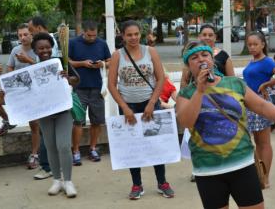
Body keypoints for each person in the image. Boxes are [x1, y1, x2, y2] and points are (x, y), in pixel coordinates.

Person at [176, 42, 275, 209]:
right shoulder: (186, 93)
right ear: (188, 66)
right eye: (194, 57)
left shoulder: (234, 84)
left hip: (242, 163)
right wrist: (199, 90)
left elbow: (262, 106)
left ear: (212, 60)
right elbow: (186, 122)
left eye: (205, 55)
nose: (200, 60)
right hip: (208, 169)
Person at [108, 20, 174, 200]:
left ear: (140, 34)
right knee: (133, 146)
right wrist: (124, 107)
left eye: (136, 34)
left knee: (156, 143)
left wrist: (152, 103)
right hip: (128, 107)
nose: (133, 38)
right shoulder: (117, 56)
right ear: (122, 36)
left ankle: (162, 182)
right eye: (129, 34)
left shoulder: (150, 51)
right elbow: (111, 85)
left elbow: (161, 79)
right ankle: (137, 184)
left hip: (150, 104)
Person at [28, 32, 77, 197]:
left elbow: (78, 80)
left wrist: (68, 77)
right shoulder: (32, 70)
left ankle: (68, 181)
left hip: (64, 111)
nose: (45, 50)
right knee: (50, 147)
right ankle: (57, 180)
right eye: (40, 48)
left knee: (63, 146)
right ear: (35, 51)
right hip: (45, 113)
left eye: (48, 47)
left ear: (52, 47)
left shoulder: (61, 62)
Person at [243, 31, 275, 188]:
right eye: (249, 45)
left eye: (255, 44)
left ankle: (266, 178)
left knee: (264, 143)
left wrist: (266, 85)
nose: (252, 47)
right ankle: (259, 174)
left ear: (263, 45)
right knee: (256, 143)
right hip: (250, 105)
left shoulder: (267, 62)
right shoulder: (253, 61)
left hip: (261, 105)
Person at [0, 23, 40, 169]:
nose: (23, 37)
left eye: (25, 34)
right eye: (20, 35)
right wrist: (4, 86)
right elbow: (10, 68)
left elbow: (41, 69)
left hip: (32, 92)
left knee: (34, 124)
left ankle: (34, 154)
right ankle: (8, 120)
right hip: (16, 90)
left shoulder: (38, 49)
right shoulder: (15, 50)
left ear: (31, 34)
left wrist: (28, 60)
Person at [68, 20, 111, 165]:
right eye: (89, 35)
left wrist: (102, 64)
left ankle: (93, 148)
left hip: (97, 88)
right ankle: (76, 151)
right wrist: (82, 63)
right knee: (78, 121)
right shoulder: (73, 43)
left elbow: (110, 61)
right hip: (79, 88)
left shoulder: (102, 43)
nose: (92, 38)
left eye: (94, 35)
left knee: (97, 121)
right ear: (83, 32)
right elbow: (66, 61)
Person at [27, 17, 54, 179]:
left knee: (58, 140)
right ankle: (48, 166)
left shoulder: (56, 55)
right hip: (44, 103)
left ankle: (52, 167)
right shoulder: (37, 58)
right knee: (45, 133)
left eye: (30, 30)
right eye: (40, 49)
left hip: (57, 104)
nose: (44, 50)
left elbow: (74, 78)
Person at [180, 24, 235, 89]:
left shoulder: (224, 55)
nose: (207, 37)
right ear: (199, 36)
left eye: (210, 35)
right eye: (204, 35)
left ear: (215, 37)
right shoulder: (191, 55)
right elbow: (184, 82)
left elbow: (232, 81)